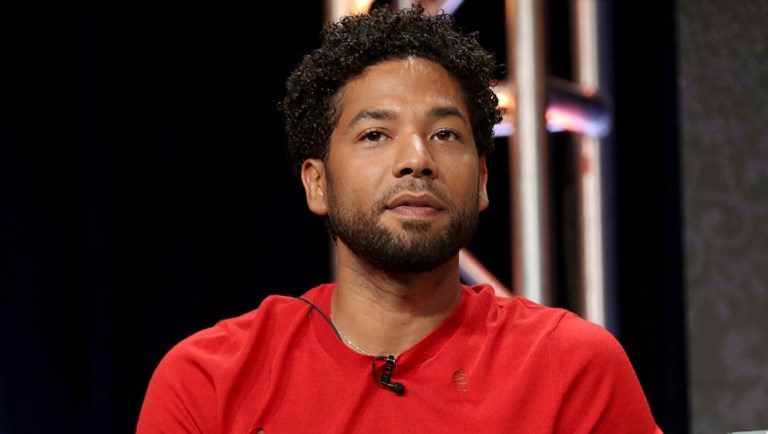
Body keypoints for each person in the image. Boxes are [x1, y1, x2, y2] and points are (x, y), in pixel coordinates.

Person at [136, 4, 663, 433]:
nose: (417, 158)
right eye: (375, 135)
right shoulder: (209, 381)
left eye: (445, 134)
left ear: (482, 180)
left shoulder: (571, 367)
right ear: (316, 183)